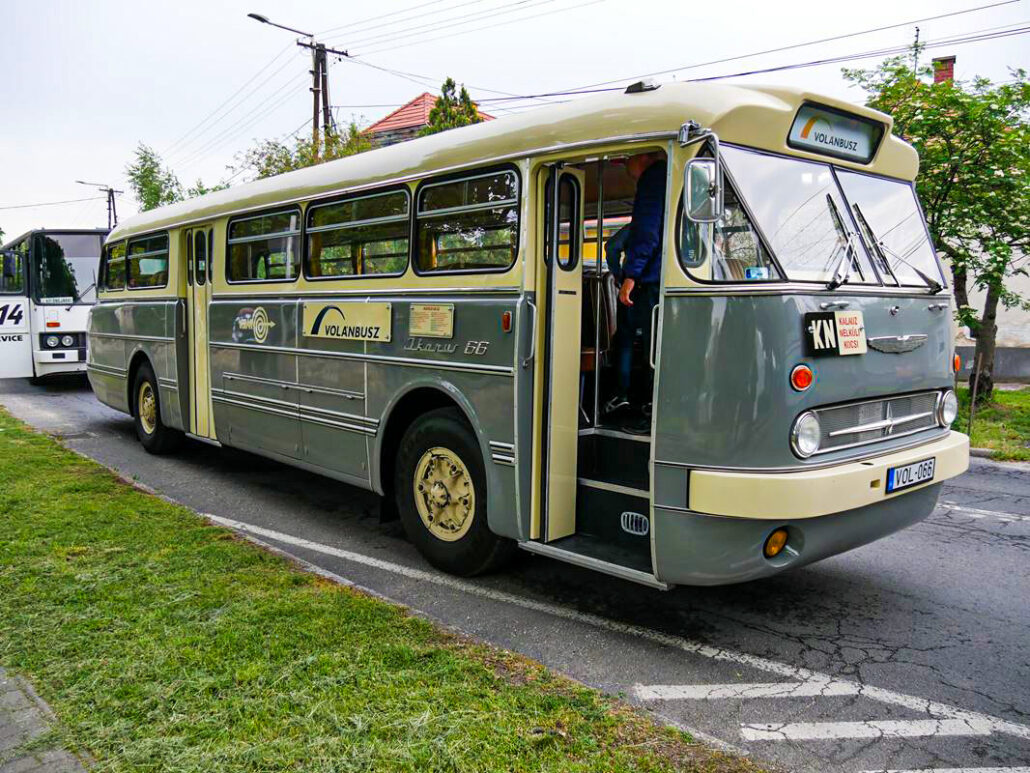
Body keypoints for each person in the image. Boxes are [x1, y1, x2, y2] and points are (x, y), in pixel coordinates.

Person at [603, 152, 667, 430]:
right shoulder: (672, 177)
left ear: (641, 157)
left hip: (649, 282)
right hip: (662, 278)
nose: (627, 169)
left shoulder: (653, 180)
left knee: (644, 346)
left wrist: (627, 277)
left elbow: (646, 234)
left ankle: (638, 405)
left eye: (626, 161)